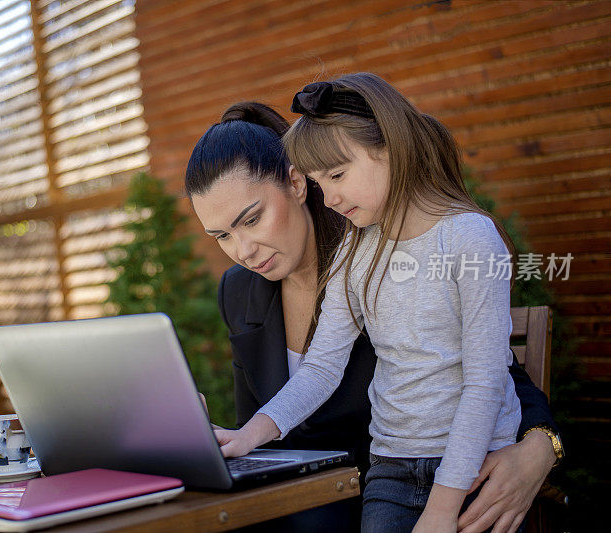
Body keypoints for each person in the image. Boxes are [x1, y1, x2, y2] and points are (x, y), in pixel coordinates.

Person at [184, 89, 560, 531]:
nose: (243, 250)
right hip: (367, 478)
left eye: (251, 219)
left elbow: (491, 373)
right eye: (221, 236)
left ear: (295, 183)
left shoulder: (427, 238)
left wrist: (543, 445)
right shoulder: (252, 286)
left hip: (426, 470)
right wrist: (235, 438)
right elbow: (306, 381)